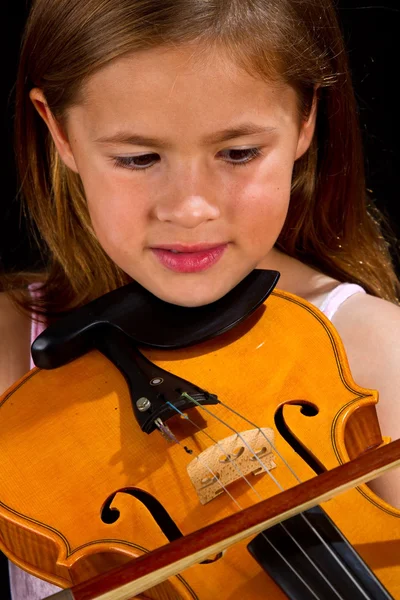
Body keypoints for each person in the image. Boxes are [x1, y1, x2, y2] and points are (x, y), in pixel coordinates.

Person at [1, 0, 399, 598]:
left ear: (306, 119)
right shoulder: (9, 352)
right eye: (137, 158)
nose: (190, 208)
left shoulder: (375, 352)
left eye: (238, 153)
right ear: (59, 131)